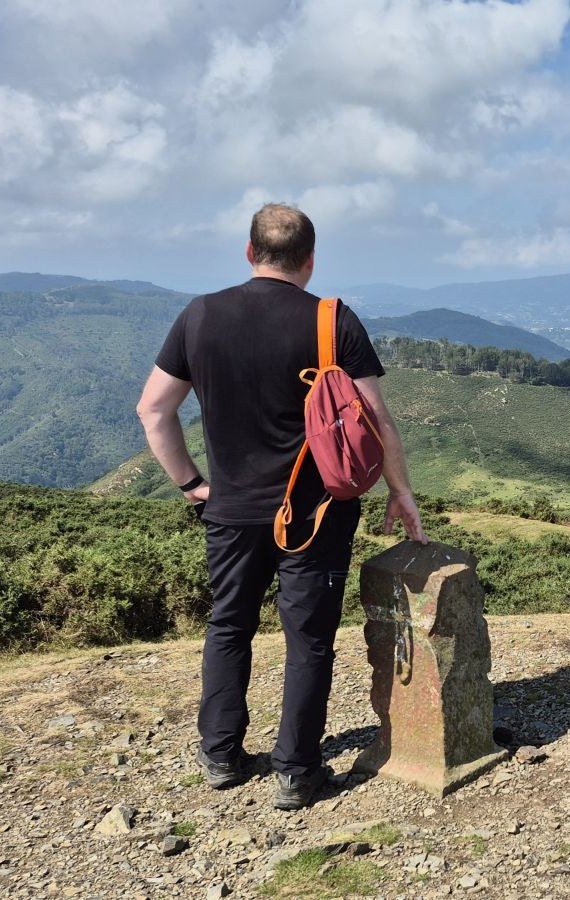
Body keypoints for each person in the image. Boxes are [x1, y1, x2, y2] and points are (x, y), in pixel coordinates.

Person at [136, 203, 429, 810]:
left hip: (232, 512)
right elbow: (376, 418)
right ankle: (296, 772)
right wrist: (400, 493)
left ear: (249, 252)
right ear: (311, 258)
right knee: (309, 638)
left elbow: (154, 411)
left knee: (228, 626)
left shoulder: (200, 315)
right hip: (316, 514)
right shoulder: (331, 320)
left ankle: (219, 755)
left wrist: (193, 485)